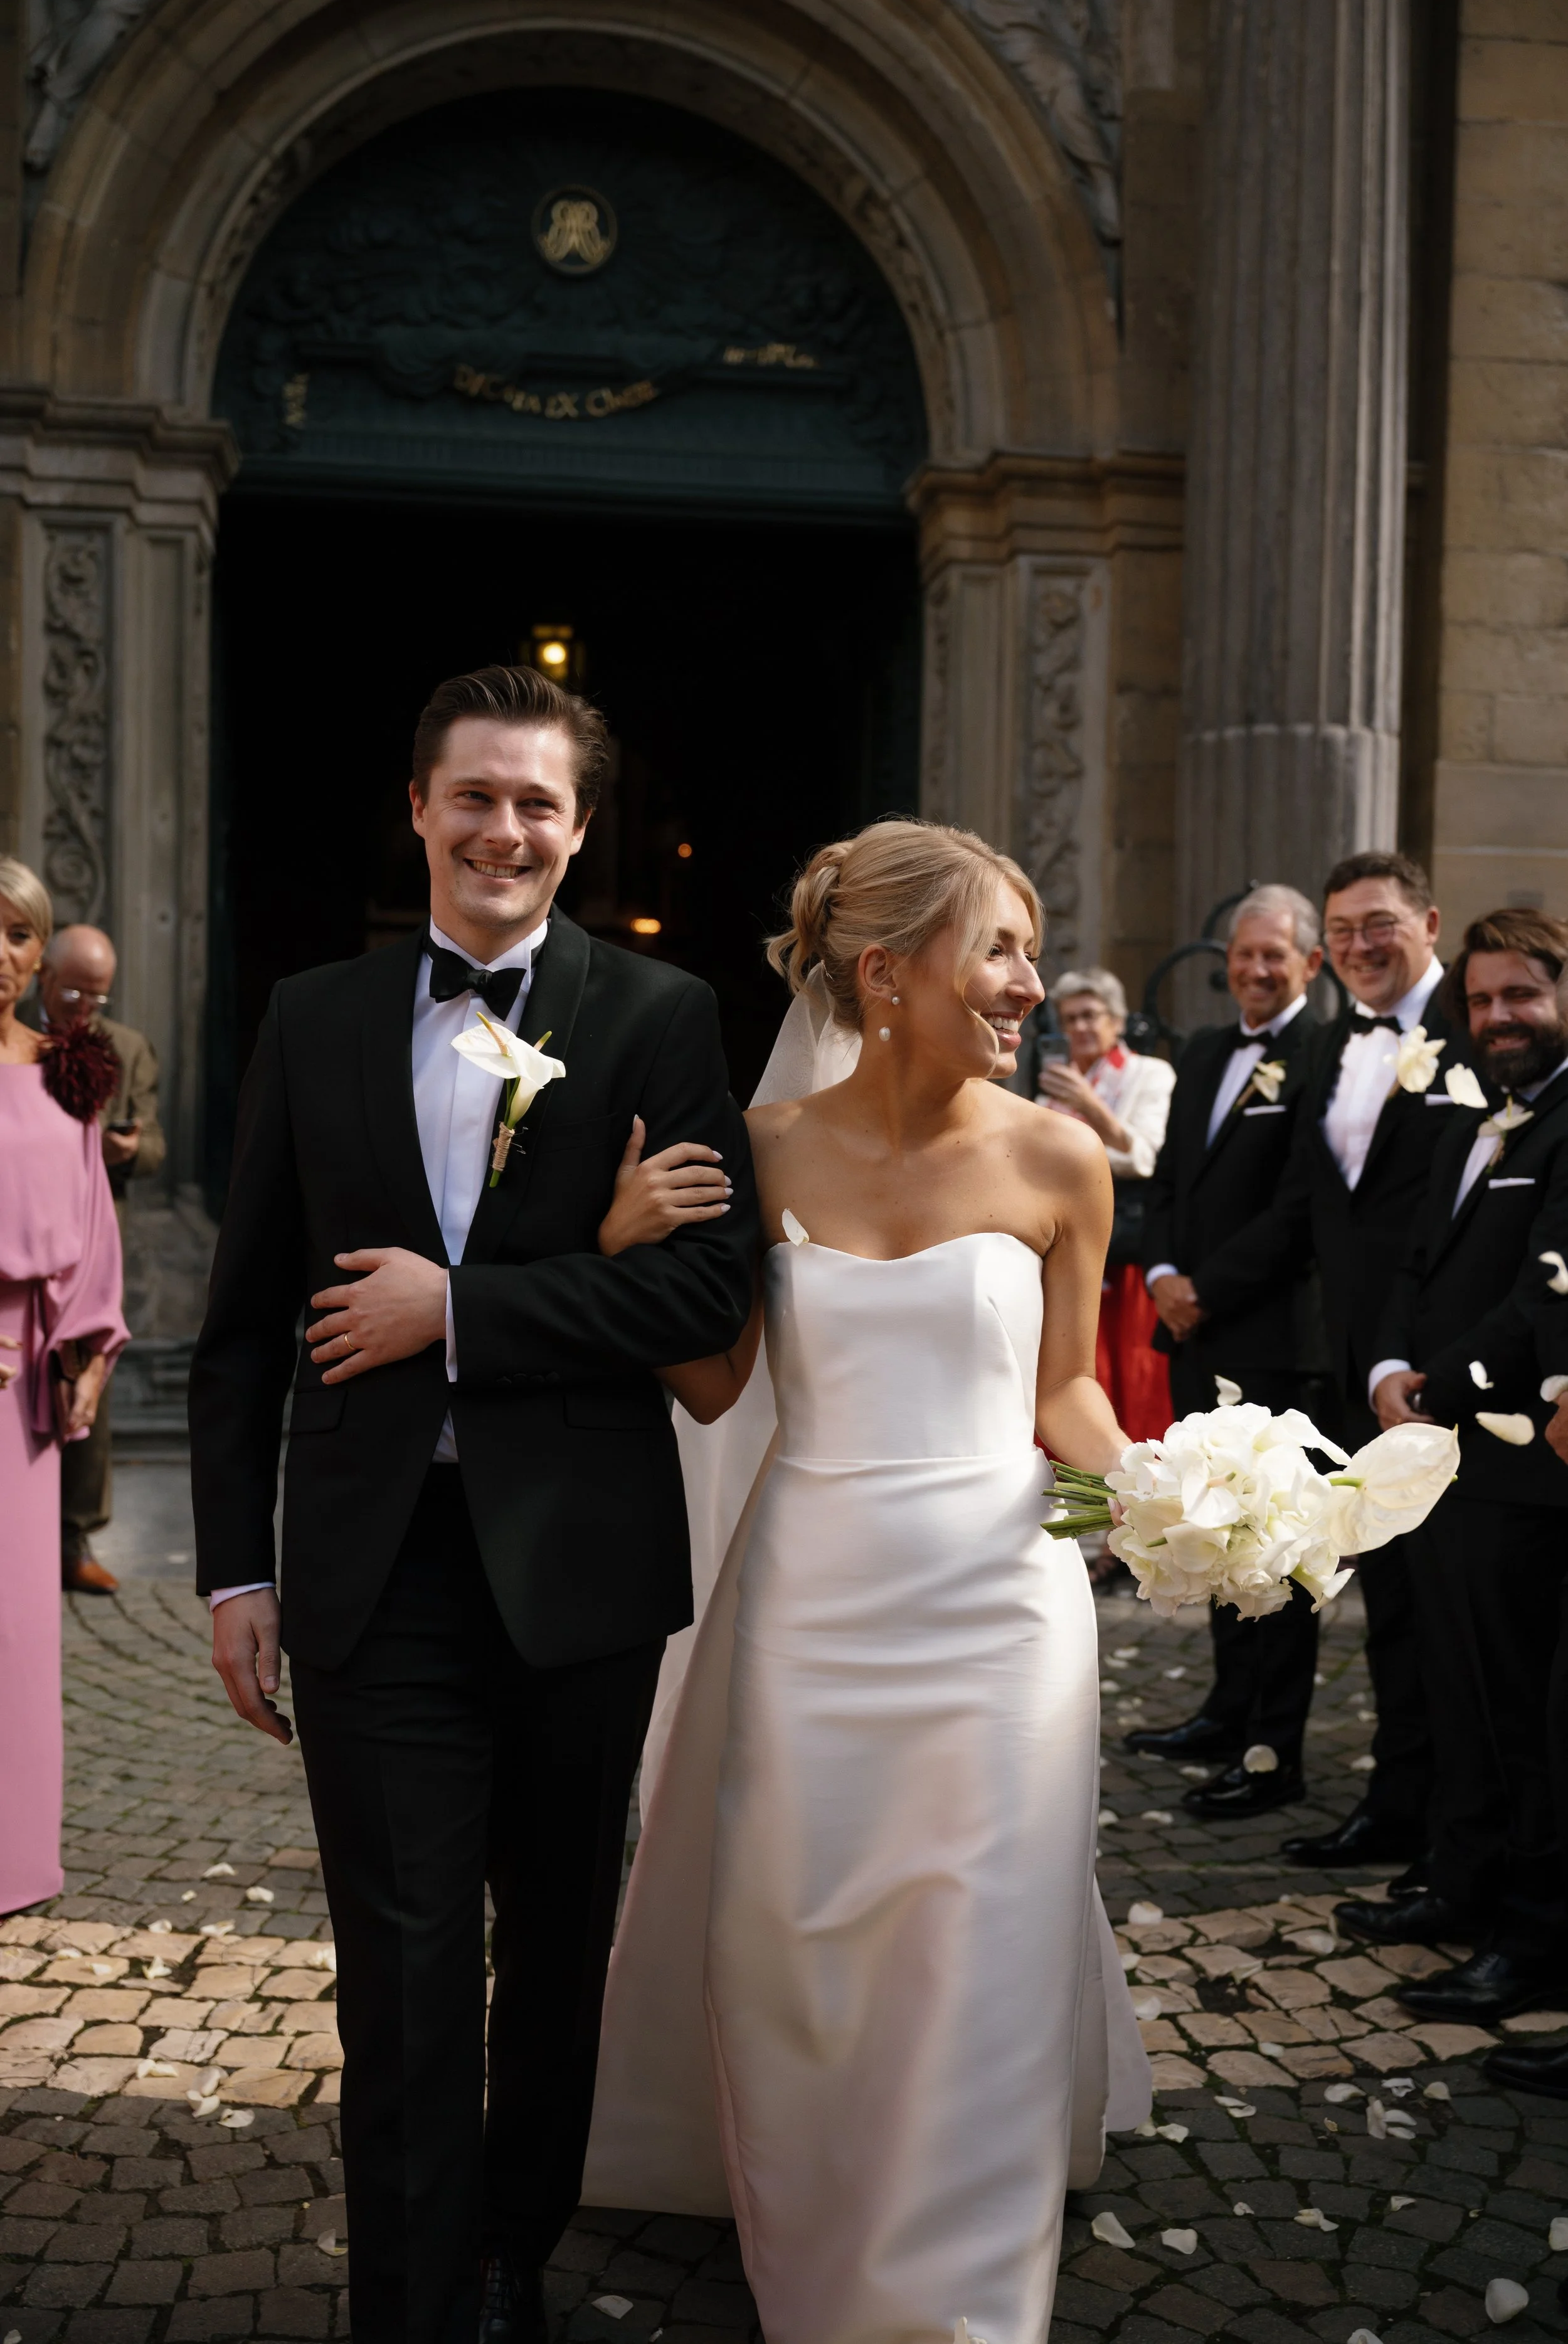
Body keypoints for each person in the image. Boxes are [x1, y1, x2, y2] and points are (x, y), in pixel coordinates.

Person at [189, 664, 757, 2344]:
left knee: (555, 1950)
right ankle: (415, 2302)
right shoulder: (312, 1017)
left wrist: (472, 1310)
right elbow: (238, 1333)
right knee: (403, 1966)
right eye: (474, 794)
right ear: (421, 806)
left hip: (578, 1570)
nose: (502, 826)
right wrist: (235, 1569)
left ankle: (515, 2242)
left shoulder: (660, 1017)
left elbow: (711, 1297)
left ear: (577, 831)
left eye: (537, 801)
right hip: (372, 1576)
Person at [581, 821, 1150, 2344]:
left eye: (1032, 946)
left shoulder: (1061, 1157)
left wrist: (1148, 1505)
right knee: (800, 1937)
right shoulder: (763, 1150)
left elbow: (1069, 1398)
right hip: (809, 1593)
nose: (1031, 981)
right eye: (1003, 948)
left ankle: (961, 2302)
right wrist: (627, 1251)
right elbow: (714, 1386)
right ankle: (818, 2242)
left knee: (981, 1941)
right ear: (885, 971)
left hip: (1004, 1602)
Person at [1184, 852, 1471, 1879]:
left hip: (1446, 1373)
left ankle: (1457, 1830)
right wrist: (1204, 1284)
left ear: (1429, 921)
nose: (1359, 945)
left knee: (1452, 1615)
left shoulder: (1478, 1032)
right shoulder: (1342, 1040)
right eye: (1343, 930)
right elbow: (1312, 1207)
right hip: (1352, 1367)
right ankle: (1402, 1810)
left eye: (1378, 924)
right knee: (1389, 1603)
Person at [1361, 908, 1568, 2010]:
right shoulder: (1467, 1126)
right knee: (1453, 1687)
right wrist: (1389, 1367)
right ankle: (1459, 1883)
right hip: (1431, 1454)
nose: (1499, 1018)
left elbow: (1543, 1291)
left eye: (1522, 996)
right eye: (1483, 999)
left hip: (1519, 1469)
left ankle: (1531, 1939)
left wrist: (1435, 1388)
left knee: (1522, 1709)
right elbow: (1413, 1264)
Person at [1128, 885, 1328, 1815]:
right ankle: (1223, 1706)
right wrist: (1163, 1269)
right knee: (1212, 1529)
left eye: (1274, 958)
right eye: (1243, 955)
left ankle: (1268, 1749)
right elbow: (1167, 1180)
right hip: (1191, 1331)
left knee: (1276, 1548)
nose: (1253, 970)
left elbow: (1301, 1207)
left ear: (1309, 966)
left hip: (1272, 1337)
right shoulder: (1206, 1049)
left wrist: (1206, 1288)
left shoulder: (1324, 1054)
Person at [0, 857, 127, 1915]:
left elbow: (92, 1228)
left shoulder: (66, 1072)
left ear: (41, 953)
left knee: (15, 1630)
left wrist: (87, 1360)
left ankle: (13, 1852)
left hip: (20, 1395)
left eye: (14, 934)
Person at [26, 921, 166, 1594]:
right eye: (75, 991)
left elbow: (158, 1144)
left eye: (99, 998)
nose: (85, 1008)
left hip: (94, 1235)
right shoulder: (16, 1040)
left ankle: (74, 1536)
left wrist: (129, 1150)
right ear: (41, 978)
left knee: (88, 1378)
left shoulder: (131, 1049)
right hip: (24, 1233)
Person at [1037, 967, 1175, 1443]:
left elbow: (1145, 1155)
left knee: (1132, 1366)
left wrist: (1090, 1106)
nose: (1079, 1027)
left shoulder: (1149, 1073)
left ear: (1117, 1021)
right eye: (1069, 1018)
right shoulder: (1054, 1085)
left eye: (1090, 1015)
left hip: (1126, 1246)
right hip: (1065, 1249)